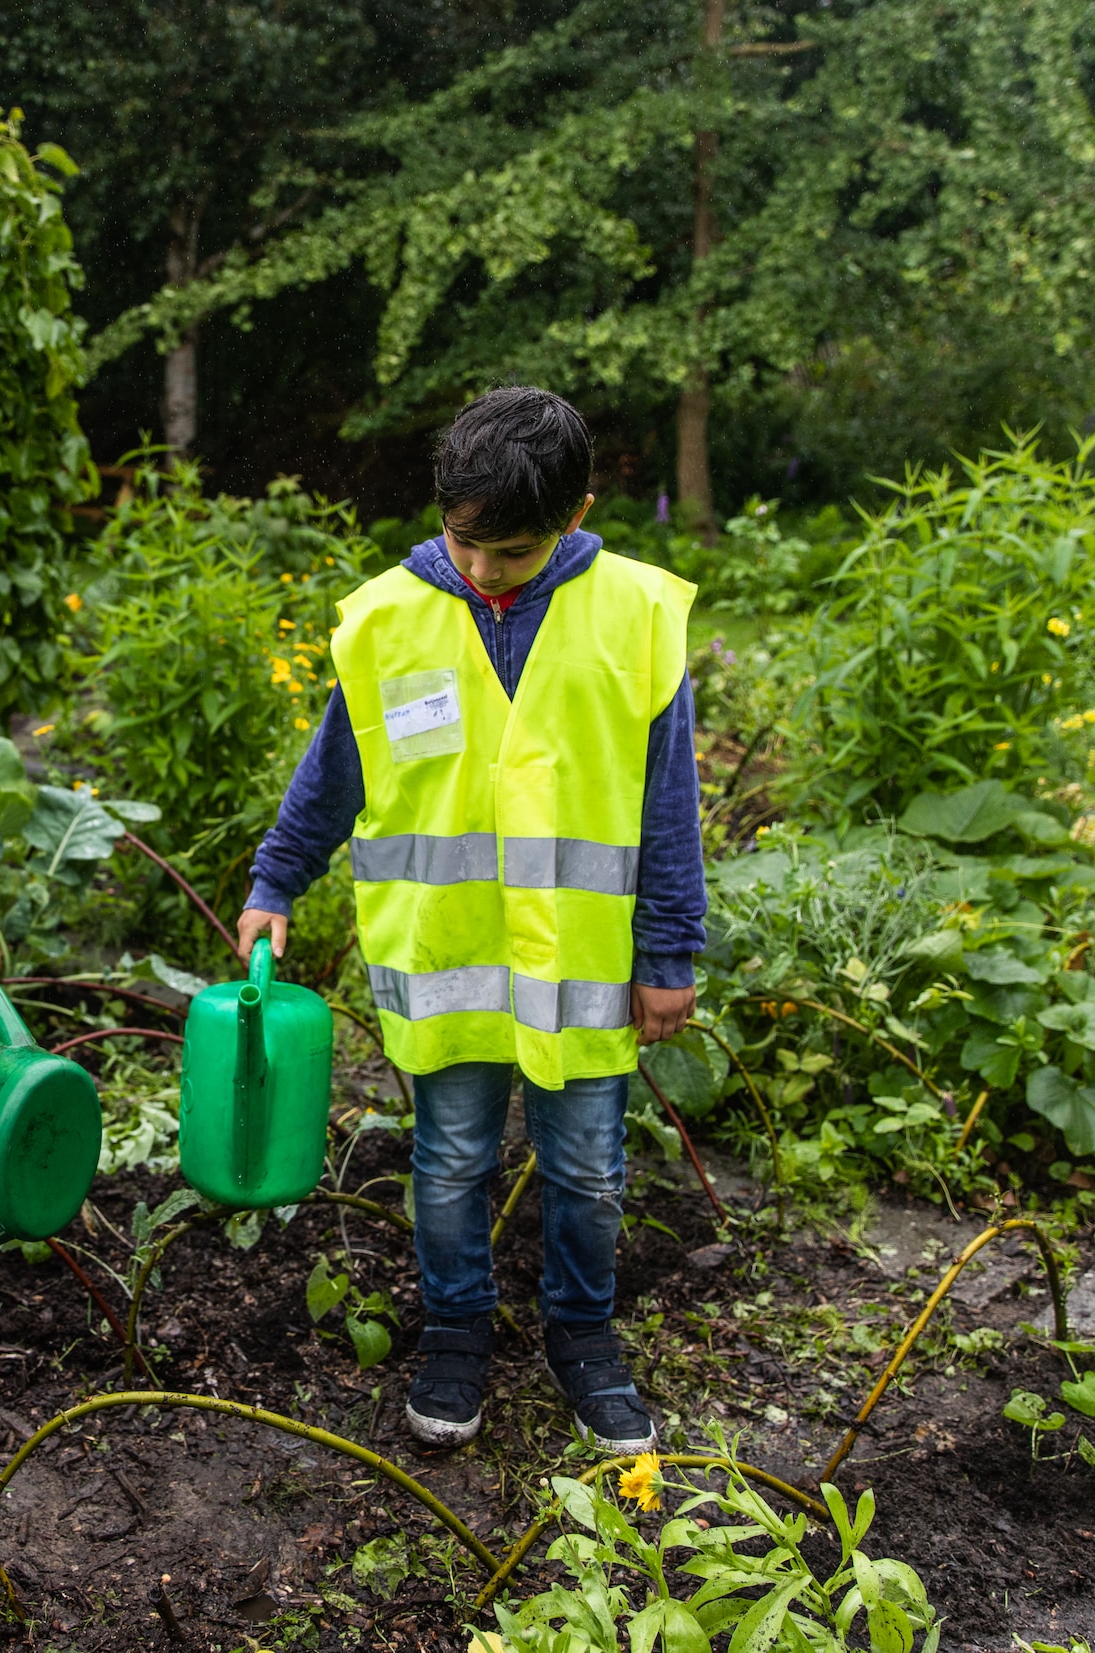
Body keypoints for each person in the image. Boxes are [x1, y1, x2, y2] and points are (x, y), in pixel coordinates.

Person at [236, 387, 704, 1455]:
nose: (482, 570)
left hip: (579, 970)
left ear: (576, 514)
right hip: (444, 961)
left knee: (585, 1168)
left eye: (513, 550)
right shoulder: (386, 618)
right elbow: (332, 771)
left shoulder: (631, 617)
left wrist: (668, 948)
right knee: (446, 1164)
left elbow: (667, 799)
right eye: (465, 543)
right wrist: (274, 882)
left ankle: (582, 1337)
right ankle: (454, 1332)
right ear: (440, 510)